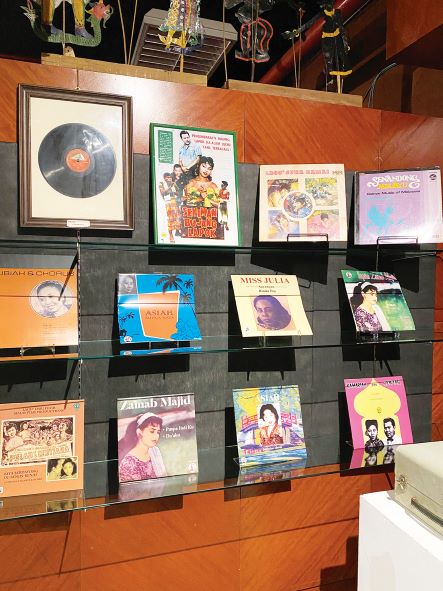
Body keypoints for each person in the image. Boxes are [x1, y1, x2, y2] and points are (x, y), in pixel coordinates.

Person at [119, 412, 167, 482]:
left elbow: (164, 477)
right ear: (139, 432)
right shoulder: (128, 463)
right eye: (152, 431)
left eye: (158, 432)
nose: (156, 436)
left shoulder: (155, 451)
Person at [159, 171, 181, 242]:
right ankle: (171, 236)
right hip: (168, 203)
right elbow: (163, 192)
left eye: (170, 177)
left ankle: (177, 231)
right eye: (168, 177)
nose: (169, 179)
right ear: (164, 178)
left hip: (174, 202)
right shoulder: (162, 183)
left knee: (178, 217)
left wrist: (174, 192)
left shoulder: (173, 183)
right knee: (170, 219)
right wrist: (170, 187)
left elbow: (178, 192)